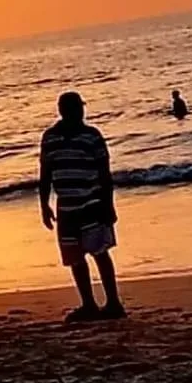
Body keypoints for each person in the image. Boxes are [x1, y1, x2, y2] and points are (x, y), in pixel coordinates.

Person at [39, 91, 125, 322]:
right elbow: (45, 173)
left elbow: (105, 175)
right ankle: (89, 304)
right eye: (77, 108)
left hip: (91, 202)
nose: (81, 112)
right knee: (75, 257)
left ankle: (113, 302)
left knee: (99, 252)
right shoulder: (50, 138)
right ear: (65, 111)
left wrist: (108, 206)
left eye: (81, 108)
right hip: (65, 207)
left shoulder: (92, 136)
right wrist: (44, 204)